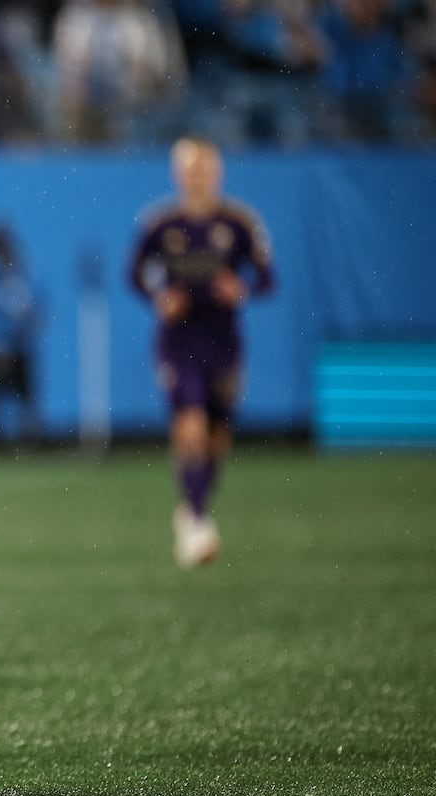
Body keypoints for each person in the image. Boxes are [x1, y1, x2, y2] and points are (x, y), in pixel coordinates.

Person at [128, 136, 273, 568]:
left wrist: (241, 289)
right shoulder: (161, 224)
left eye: (204, 168)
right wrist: (159, 298)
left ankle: (194, 508)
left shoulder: (239, 222)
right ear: (178, 174)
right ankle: (195, 520)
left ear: (217, 172)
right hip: (179, 339)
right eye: (190, 168)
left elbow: (267, 278)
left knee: (217, 436)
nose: (197, 176)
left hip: (222, 338)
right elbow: (134, 274)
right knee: (190, 424)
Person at [0, 221, 41, 444]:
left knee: (24, 397)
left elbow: (31, 307)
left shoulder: (19, 273)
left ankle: (27, 438)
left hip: (17, 345)